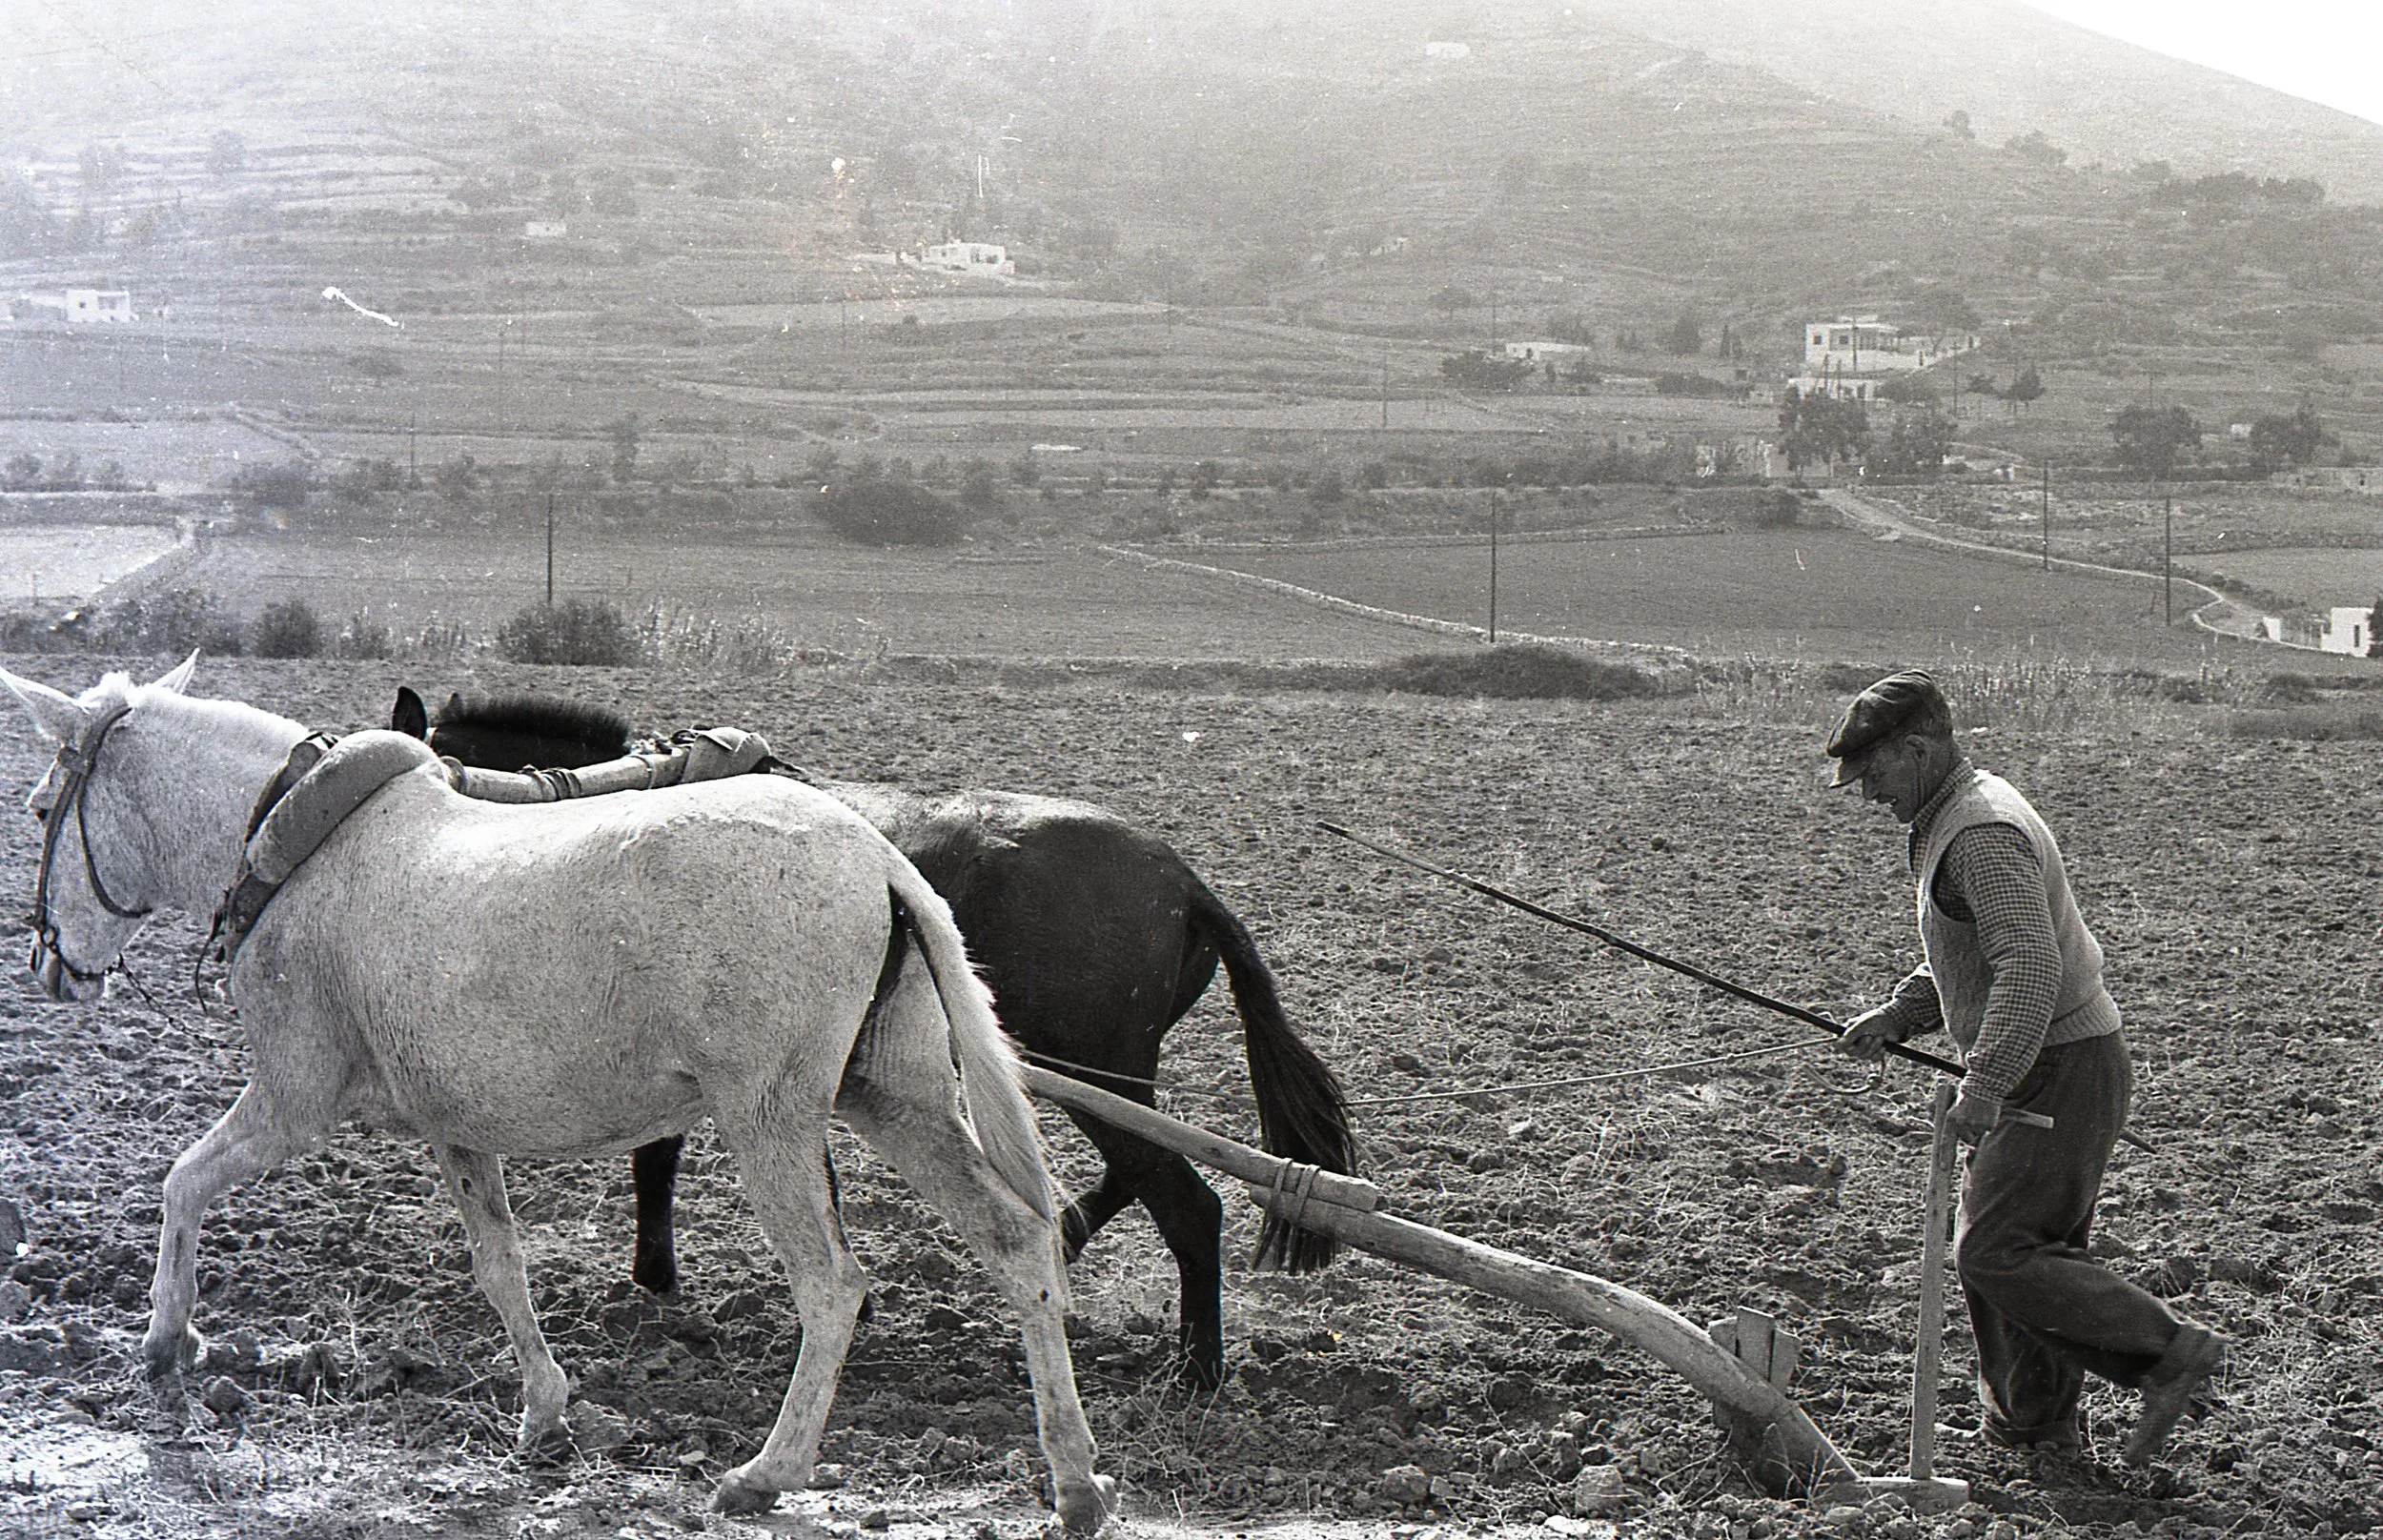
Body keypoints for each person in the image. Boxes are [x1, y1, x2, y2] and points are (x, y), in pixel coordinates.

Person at [1826, 669, 2225, 1466]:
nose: (1868, 795)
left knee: (1998, 1252)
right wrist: (1904, 1013)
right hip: (2055, 1061)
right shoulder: (1958, 811)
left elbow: (2029, 970)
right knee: (2014, 1253)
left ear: (1917, 747)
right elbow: (1972, 949)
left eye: (1873, 774)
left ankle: (2169, 1352)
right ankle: (2035, 1429)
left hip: (2059, 1066)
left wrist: (1985, 1085)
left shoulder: (1977, 832)